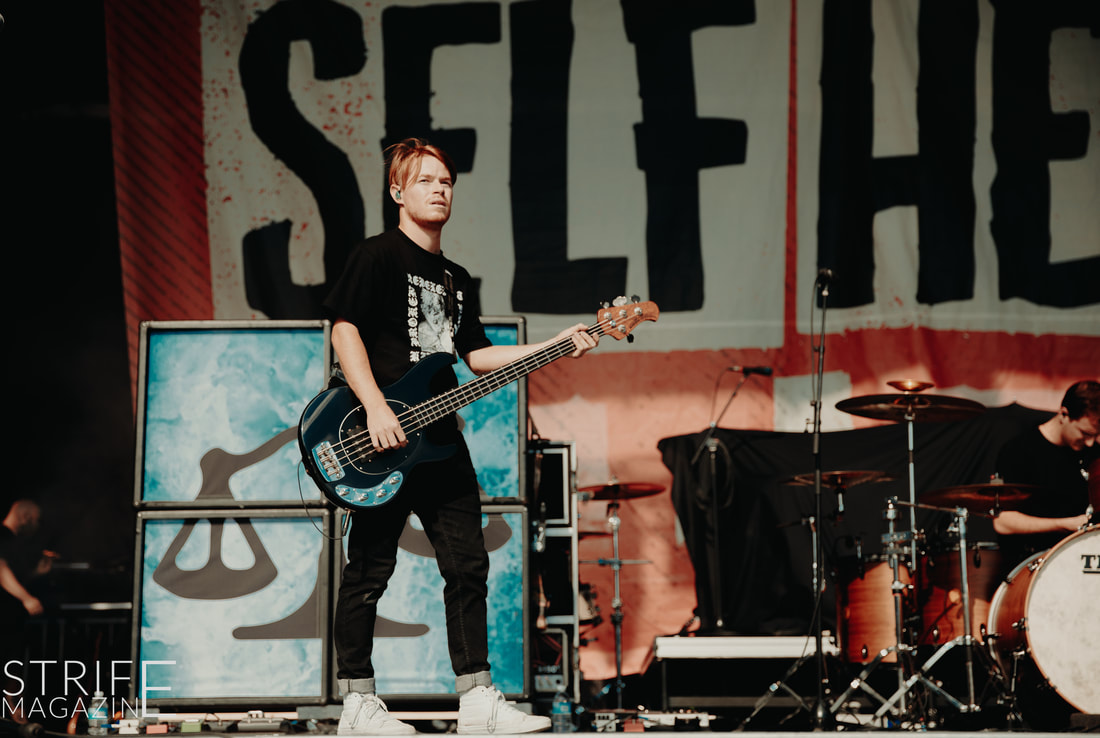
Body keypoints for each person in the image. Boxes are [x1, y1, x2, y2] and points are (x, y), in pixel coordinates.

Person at [324, 138, 598, 735]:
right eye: (425, 180)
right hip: (381, 439)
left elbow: (476, 356)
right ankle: (358, 705)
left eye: (446, 181)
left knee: (468, 567)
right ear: (398, 192)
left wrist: (556, 345)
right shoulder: (376, 256)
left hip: (441, 442)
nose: (439, 189)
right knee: (369, 571)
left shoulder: (456, 278)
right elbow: (344, 331)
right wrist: (375, 407)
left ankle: (476, 700)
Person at [993, 380, 1099, 569]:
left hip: (1086, 561)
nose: (1090, 443)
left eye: (1095, 435)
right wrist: (1065, 524)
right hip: (1035, 564)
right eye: (1084, 433)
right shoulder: (1019, 451)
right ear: (1064, 414)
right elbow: (1003, 522)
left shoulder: (1093, 453)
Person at [1, 499, 53, 722]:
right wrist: (27, 599)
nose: (37, 527)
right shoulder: (2, 536)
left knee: (12, 666)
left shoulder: (13, 542)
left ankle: (14, 714)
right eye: (37, 521)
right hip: (4, 618)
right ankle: (14, 713)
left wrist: (36, 574)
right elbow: (1, 569)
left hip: (11, 618)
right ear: (26, 517)